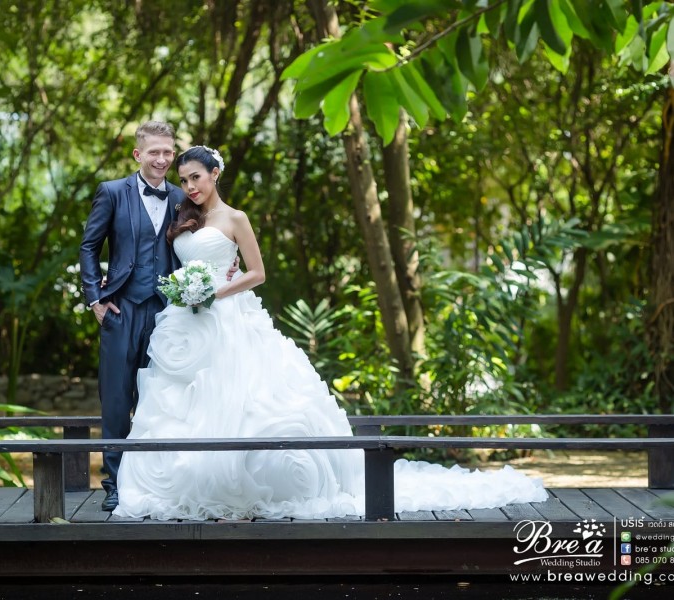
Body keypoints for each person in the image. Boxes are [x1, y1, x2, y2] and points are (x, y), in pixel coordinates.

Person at [112, 145, 548, 520]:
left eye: (196, 177)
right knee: (182, 404)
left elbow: (258, 273)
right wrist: (186, 290)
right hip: (185, 324)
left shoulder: (236, 218)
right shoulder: (183, 218)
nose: (189, 186)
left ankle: (241, 487)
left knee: (240, 398)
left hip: (228, 316)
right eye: (184, 179)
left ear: (215, 174)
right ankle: (188, 484)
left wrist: (216, 291)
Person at [79, 122, 238, 512]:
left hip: (170, 315)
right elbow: (88, 245)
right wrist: (95, 299)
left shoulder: (185, 197)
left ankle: (154, 483)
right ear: (138, 154)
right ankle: (115, 483)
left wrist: (228, 267)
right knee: (116, 400)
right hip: (121, 310)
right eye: (154, 152)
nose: (163, 159)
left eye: (168, 152)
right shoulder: (113, 192)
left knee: (162, 401)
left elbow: (215, 233)